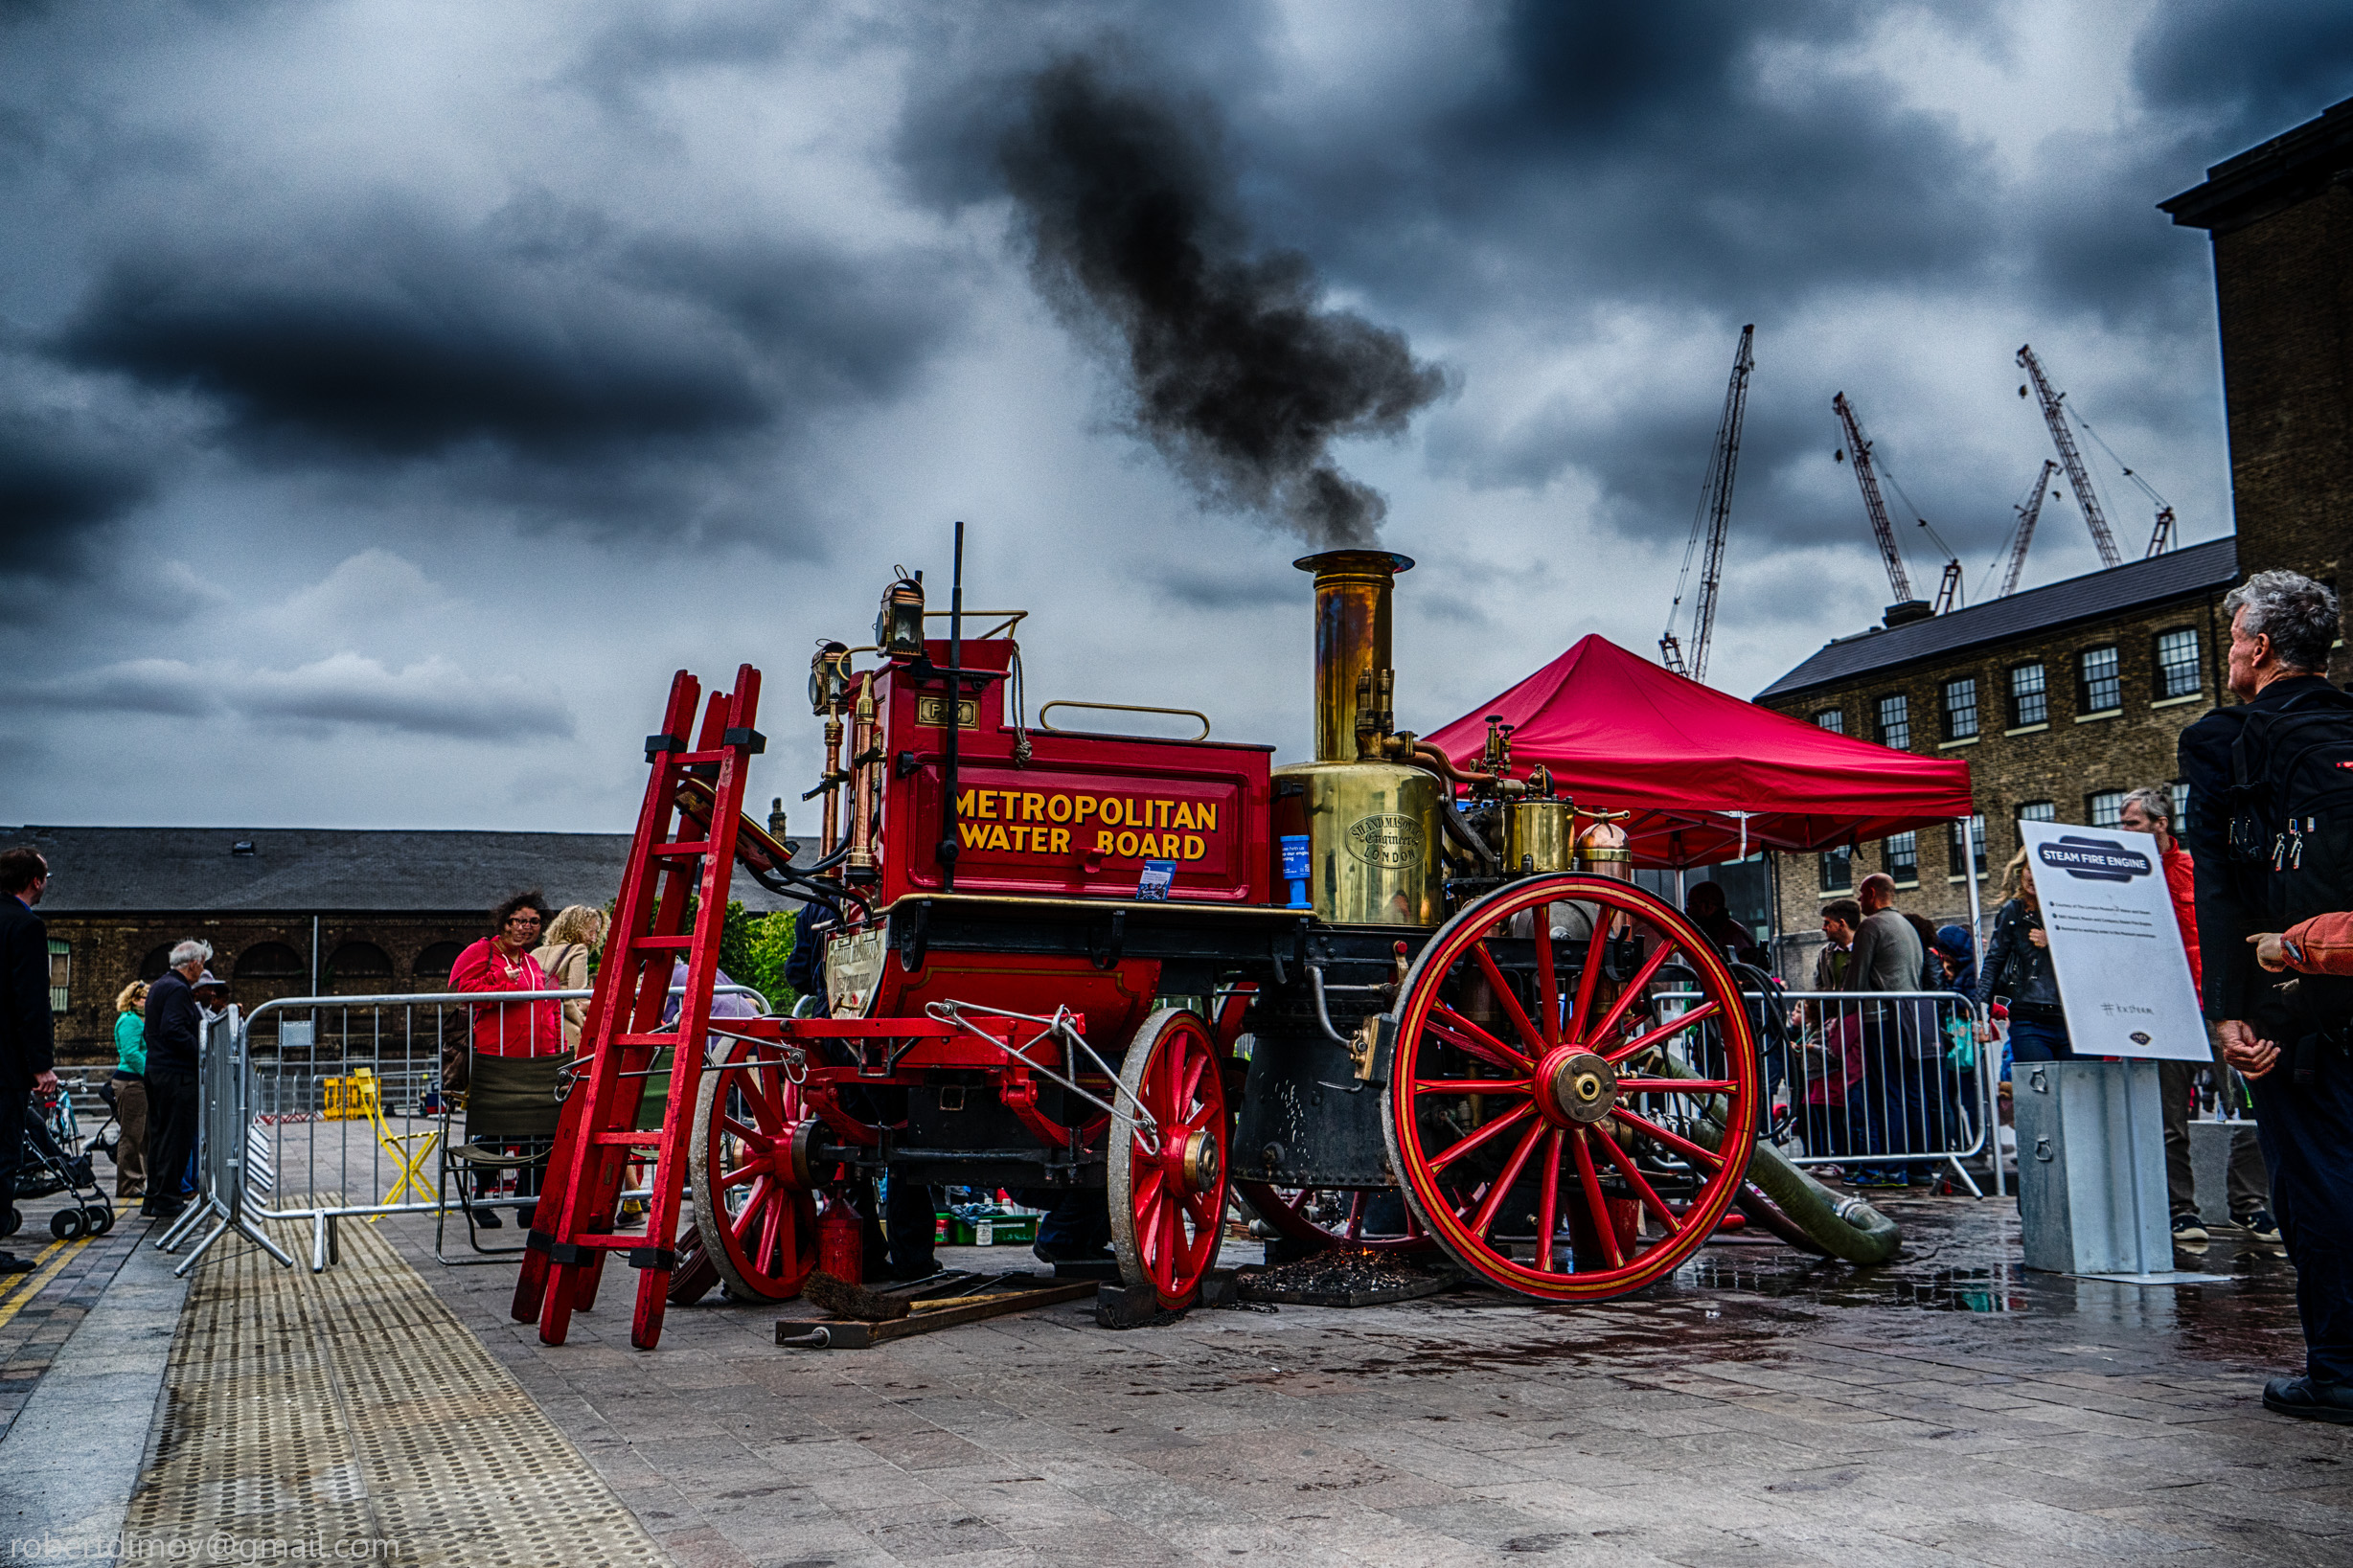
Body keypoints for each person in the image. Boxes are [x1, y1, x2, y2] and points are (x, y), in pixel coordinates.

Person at [2181, 569, 2353, 1423]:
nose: (2231, 649)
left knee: (2316, 1187)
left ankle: (2342, 1371)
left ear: (2265, 647)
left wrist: (2237, 1012)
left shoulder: (2225, 740)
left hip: (2298, 1004)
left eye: (2237, 634)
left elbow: (2226, 885)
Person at [2121, 784, 2272, 1245]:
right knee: (2170, 1121)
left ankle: (2248, 1205)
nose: (2123, 832)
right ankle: (2182, 1212)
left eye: (2131, 824)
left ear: (2159, 824)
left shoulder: (2197, 871)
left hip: (2218, 1007)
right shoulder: (2123, 880)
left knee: (2254, 1105)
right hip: (2163, 1009)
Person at [449, 893, 562, 1227]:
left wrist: (552, 1052)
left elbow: (545, 1008)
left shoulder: (530, 962)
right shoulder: (482, 952)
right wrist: (501, 981)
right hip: (496, 1059)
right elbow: (463, 996)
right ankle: (480, 1199)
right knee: (495, 1131)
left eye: (533, 922)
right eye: (518, 920)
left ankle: (528, 1202)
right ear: (504, 921)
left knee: (539, 1132)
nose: (525, 927)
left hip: (534, 1061)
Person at [0, 848, 62, 1273]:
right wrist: (41, 1065)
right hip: (4, 1066)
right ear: (35, 881)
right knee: (3, 1156)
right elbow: (31, 1002)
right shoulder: (25, 926)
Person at [1842, 873, 1925, 1189]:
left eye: (1862, 895)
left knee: (1883, 1095)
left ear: (1873, 893)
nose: (1859, 901)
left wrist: (1837, 1012)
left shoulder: (1871, 926)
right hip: (1910, 1017)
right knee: (1905, 1094)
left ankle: (1888, 1169)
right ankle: (1912, 1166)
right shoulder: (1907, 926)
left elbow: (1857, 979)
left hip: (1881, 1019)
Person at [1977, 851, 2068, 1064]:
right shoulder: (2012, 911)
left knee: (2075, 1090)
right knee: (2039, 1090)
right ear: (2020, 872)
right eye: (2028, 869)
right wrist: (1979, 1008)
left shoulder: (2068, 911)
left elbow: (2090, 954)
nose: (2032, 877)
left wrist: (2054, 941)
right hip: (2028, 1017)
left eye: (2039, 870)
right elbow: (1994, 960)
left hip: (2070, 1019)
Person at [142, 939, 210, 1219]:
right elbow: (173, 1029)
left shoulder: (160, 985)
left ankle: (154, 1197)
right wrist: (203, 1053)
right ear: (193, 964)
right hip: (176, 1074)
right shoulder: (179, 990)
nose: (202, 970)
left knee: (160, 1137)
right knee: (176, 1137)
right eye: (202, 964)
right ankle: (168, 1198)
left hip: (158, 1070)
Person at [533, 904, 608, 1053]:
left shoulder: (535, 952)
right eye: (590, 931)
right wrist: (582, 1021)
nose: (593, 938)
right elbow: (575, 996)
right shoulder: (578, 950)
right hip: (563, 1024)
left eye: (596, 932)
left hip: (533, 1023)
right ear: (576, 928)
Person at [111, 980, 149, 1201]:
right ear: (134, 1000)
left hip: (137, 1082)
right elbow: (131, 1053)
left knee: (142, 1135)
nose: (149, 1003)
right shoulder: (130, 1021)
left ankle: (138, 1181)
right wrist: (150, 1074)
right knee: (132, 1135)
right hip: (131, 1083)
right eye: (146, 998)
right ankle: (128, 1184)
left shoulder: (138, 1020)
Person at [1683, 881, 1750, 954]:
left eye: (1692, 904)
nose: (1687, 909)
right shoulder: (1714, 932)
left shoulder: (1734, 935)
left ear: (1709, 906)